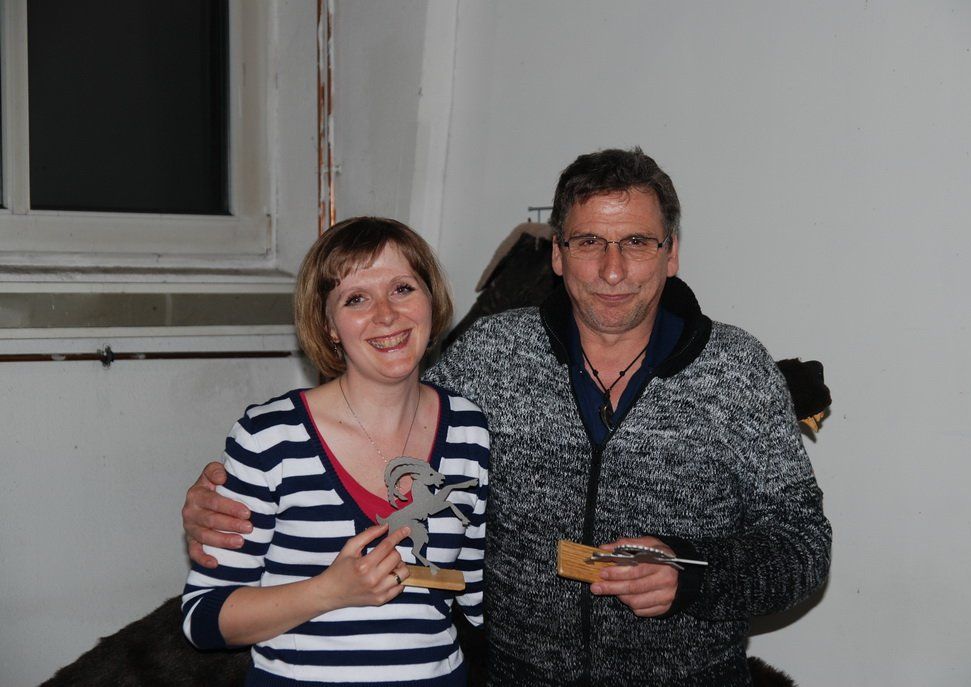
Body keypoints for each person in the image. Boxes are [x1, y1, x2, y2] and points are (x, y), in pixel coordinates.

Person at [184, 148, 831, 685]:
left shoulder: (737, 370)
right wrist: (219, 505)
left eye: (637, 242)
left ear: (672, 252)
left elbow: (804, 544)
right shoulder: (490, 355)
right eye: (588, 242)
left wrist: (693, 575)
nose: (612, 270)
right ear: (557, 254)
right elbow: (379, 435)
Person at [182, 217, 489, 686]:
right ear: (328, 326)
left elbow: (476, 590)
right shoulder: (270, 437)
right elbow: (204, 618)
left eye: (403, 288)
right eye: (356, 299)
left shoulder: (469, 428)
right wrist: (330, 591)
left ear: (431, 300)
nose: (386, 315)